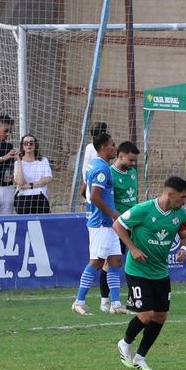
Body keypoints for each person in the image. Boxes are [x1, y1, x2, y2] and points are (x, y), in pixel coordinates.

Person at [113, 175, 186, 370]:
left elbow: (184, 236)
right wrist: (133, 249)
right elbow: (118, 225)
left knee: (160, 316)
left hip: (160, 272)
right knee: (146, 315)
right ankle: (125, 342)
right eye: (183, 197)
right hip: (137, 270)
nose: (185, 201)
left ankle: (140, 357)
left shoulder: (180, 214)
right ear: (170, 194)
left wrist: (184, 249)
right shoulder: (143, 209)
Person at [72, 131, 125, 316]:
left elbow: (85, 191)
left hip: (108, 223)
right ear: (103, 147)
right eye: (112, 145)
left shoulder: (94, 164)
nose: (115, 148)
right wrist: (112, 213)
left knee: (115, 261)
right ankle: (79, 301)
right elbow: (94, 195)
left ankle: (116, 304)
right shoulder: (102, 168)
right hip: (102, 223)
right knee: (96, 262)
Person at [12, 134, 53, 213]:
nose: (28, 145)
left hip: (40, 196)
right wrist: (19, 161)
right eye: (25, 143)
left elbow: (48, 179)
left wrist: (30, 185)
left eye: (31, 143)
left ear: (35, 145)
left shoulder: (43, 160)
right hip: (23, 196)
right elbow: (20, 183)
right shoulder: (17, 163)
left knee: (44, 219)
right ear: (22, 146)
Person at [0, 114, 15, 214]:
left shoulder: (8, 146)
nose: (8, 134)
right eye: (6, 131)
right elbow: (6, 158)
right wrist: (3, 157)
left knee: (6, 220)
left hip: (7, 188)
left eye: (10, 131)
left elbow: (11, 165)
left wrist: (12, 173)